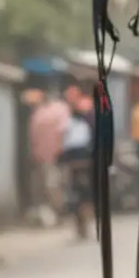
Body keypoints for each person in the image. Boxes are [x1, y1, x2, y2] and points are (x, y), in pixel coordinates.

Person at [27, 88, 71, 227]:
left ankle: (60, 214)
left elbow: (62, 132)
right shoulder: (40, 114)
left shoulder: (51, 111)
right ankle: (57, 214)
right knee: (50, 187)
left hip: (56, 157)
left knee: (53, 186)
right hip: (48, 157)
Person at [58, 86, 97, 239]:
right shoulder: (80, 125)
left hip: (76, 165)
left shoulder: (70, 125)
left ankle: (82, 225)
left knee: (77, 194)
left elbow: (66, 146)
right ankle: (83, 224)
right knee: (83, 195)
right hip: (84, 164)